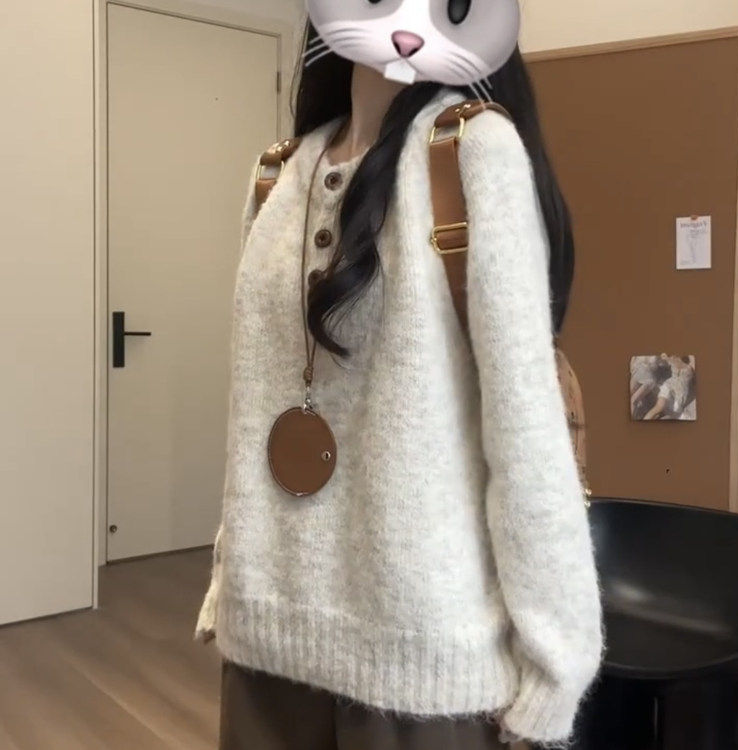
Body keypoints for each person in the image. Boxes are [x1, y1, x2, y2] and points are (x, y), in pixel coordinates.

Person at [195, 5, 604, 749]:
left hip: (419, 669)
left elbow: (526, 433)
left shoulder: (473, 151)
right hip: (263, 651)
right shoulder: (275, 176)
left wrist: (555, 665)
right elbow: (253, 410)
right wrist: (229, 580)